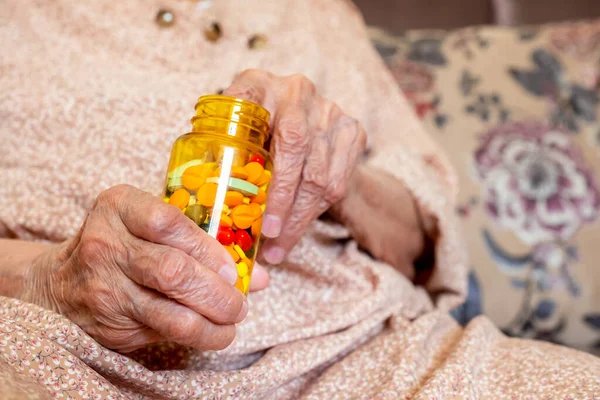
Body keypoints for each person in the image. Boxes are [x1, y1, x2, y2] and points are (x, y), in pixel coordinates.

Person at [0, 0, 598, 398]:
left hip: (368, 354)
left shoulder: (322, 13)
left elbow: (426, 236)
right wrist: (46, 277)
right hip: (63, 350)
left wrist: (341, 176)